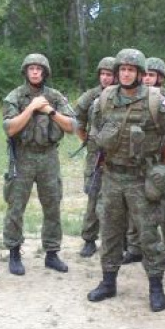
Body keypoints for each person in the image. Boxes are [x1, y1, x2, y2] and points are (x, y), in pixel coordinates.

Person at [86, 48, 165, 312]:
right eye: (122, 70)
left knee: (149, 233)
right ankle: (108, 281)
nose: (126, 74)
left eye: (131, 70)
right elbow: (94, 132)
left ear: (139, 73)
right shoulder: (105, 99)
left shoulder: (156, 101)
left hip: (141, 177)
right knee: (110, 231)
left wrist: (162, 165)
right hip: (112, 176)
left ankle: (156, 286)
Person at [2, 53, 76, 275]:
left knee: (52, 205)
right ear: (25, 72)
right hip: (22, 156)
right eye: (31, 68)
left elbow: (71, 126)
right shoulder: (15, 96)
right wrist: (31, 108)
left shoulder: (55, 97)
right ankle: (14, 252)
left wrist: (49, 111)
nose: (35, 72)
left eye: (39, 69)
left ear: (45, 72)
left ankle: (52, 253)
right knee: (16, 206)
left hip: (48, 157)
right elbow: (10, 128)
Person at [121, 57, 165, 271]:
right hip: (137, 164)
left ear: (161, 78)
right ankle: (135, 248)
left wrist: (164, 164)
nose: (147, 79)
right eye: (145, 74)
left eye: (152, 75)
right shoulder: (133, 99)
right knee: (135, 210)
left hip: (161, 164)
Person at [74, 56, 116, 258]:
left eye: (110, 74)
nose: (106, 78)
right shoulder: (90, 96)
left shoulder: (123, 95)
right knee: (93, 195)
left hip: (118, 155)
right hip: (96, 155)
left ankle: (122, 240)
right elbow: (77, 121)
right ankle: (89, 239)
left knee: (118, 198)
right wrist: (88, 139)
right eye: (103, 74)